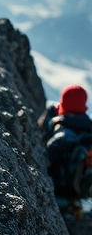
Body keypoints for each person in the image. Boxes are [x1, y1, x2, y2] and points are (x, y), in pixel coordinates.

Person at [40, 84, 92, 216]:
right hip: (81, 193)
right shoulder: (88, 128)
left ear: (63, 104)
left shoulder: (63, 136)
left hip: (58, 195)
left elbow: (43, 160)